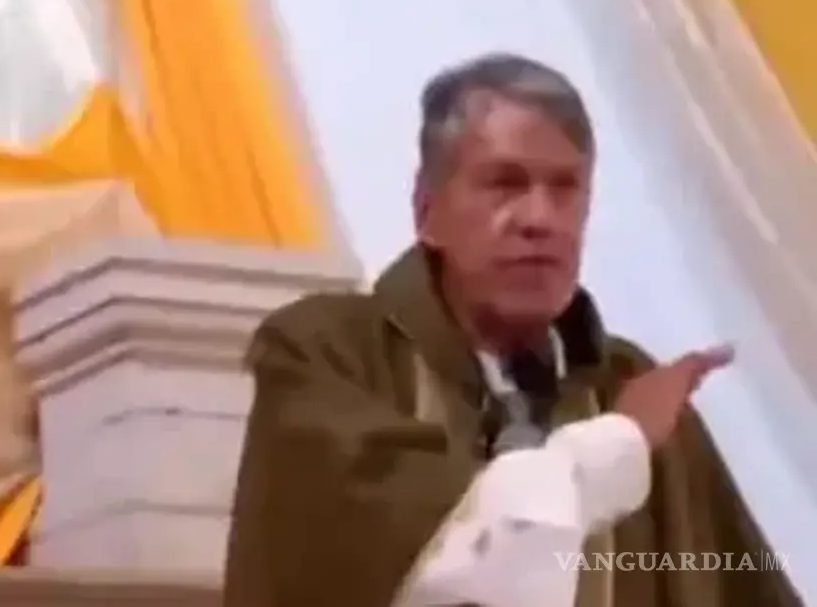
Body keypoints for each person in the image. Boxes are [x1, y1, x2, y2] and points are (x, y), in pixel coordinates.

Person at [223, 54, 801, 607]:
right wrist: (616, 445)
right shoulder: (327, 352)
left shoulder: (628, 383)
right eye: (504, 183)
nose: (540, 219)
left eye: (565, 188)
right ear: (427, 210)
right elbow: (435, 558)